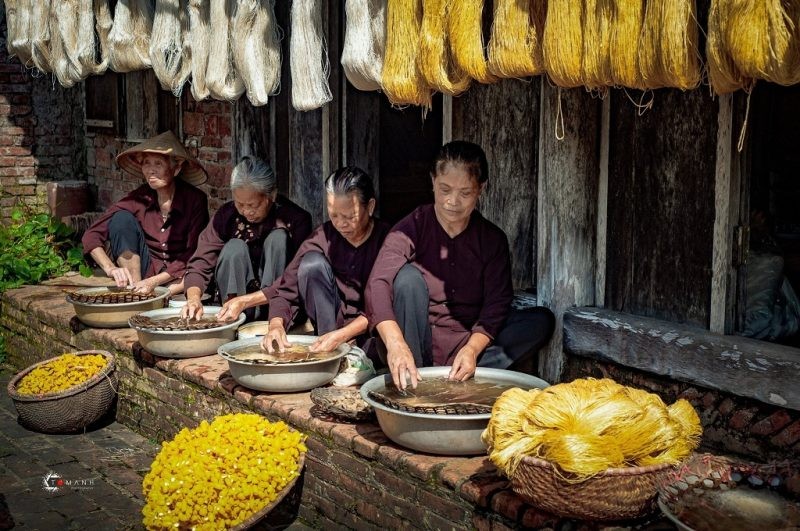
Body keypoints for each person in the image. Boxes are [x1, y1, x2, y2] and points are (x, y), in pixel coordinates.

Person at [366, 140, 555, 390]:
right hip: (416, 341)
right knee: (407, 279)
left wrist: (472, 349)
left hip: (469, 344)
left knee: (540, 321)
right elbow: (377, 283)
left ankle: (462, 374)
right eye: (445, 189)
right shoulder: (412, 227)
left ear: (481, 188)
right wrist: (396, 344)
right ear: (433, 181)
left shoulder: (491, 239)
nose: (452, 201)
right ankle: (416, 380)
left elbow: (497, 303)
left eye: (465, 193)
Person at [216, 167, 390, 359]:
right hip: (330, 332)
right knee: (311, 264)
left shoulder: (388, 240)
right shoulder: (323, 236)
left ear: (370, 207)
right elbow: (285, 287)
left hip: (372, 333)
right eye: (334, 215)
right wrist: (276, 325)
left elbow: (384, 303)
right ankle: (328, 352)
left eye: (349, 217)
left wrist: (344, 335)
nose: (341, 224)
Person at [181, 155, 312, 320]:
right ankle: (233, 319)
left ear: (271, 196)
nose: (246, 211)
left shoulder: (296, 219)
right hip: (235, 307)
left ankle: (273, 316)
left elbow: (296, 276)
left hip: (280, 308)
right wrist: (193, 298)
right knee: (234, 248)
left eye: (252, 205)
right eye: (240, 204)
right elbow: (200, 262)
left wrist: (247, 301)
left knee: (279, 239)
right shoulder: (226, 216)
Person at [81, 131, 209, 295]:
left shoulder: (195, 200)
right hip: (147, 271)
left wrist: (154, 281)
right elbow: (91, 235)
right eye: (146, 163)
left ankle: (161, 292)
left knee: (196, 272)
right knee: (121, 219)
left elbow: (193, 253)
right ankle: (136, 292)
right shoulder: (139, 197)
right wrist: (111, 268)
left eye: (158, 164)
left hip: (181, 274)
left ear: (176, 168)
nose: (151, 170)